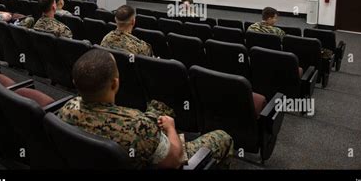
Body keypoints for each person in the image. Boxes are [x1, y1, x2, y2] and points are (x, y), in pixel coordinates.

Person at [58, 49, 234, 169]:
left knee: (156, 109)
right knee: (223, 137)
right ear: (115, 83)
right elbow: (174, 159)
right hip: (158, 158)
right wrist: (171, 128)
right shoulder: (136, 126)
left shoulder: (66, 109)